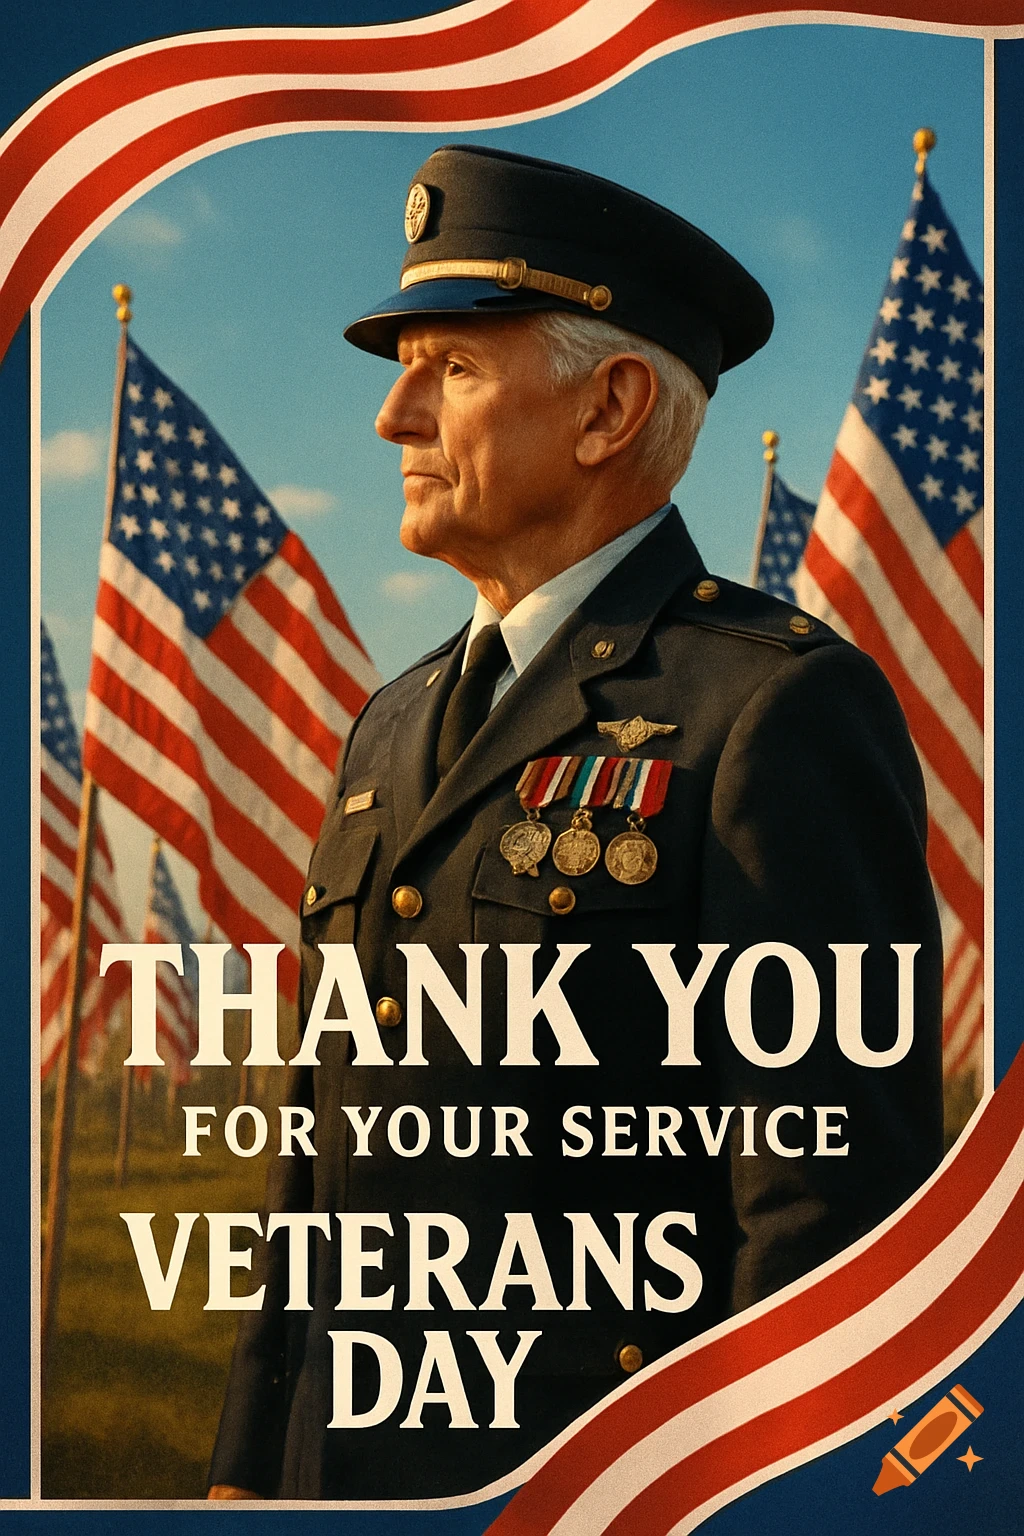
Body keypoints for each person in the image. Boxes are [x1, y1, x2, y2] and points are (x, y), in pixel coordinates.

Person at [208, 144, 942, 1501]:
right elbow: (319, 1154)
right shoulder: (388, 725)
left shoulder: (771, 711)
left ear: (608, 408)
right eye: (404, 369)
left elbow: (824, 1224)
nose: (394, 419)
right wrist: (249, 1466)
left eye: (455, 369)